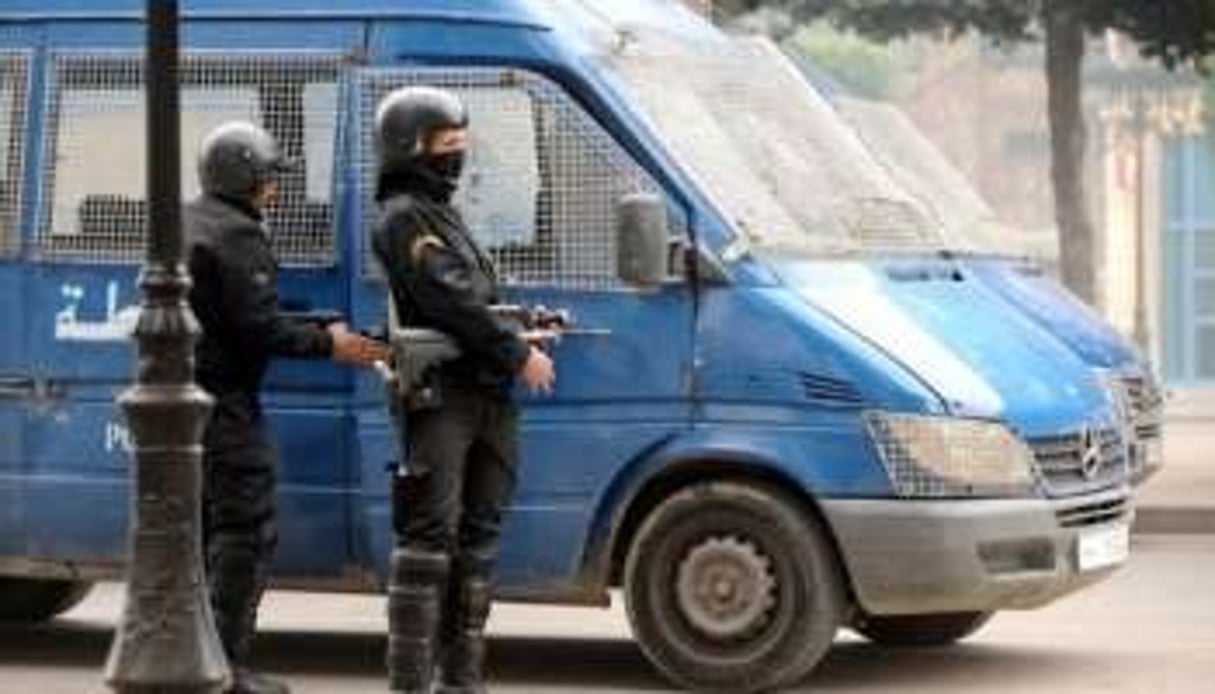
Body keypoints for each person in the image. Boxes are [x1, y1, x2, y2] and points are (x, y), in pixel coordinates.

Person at [186, 121, 386, 694]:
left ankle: (196, 658)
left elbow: (240, 314)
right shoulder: (238, 234)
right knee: (245, 532)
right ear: (245, 177)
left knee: (201, 535)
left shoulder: (191, 219)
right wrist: (332, 344)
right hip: (224, 406)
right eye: (271, 177)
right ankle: (223, 667)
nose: (276, 188)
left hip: (186, 404)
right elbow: (257, 328)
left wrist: (320, 326)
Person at [372, 86, 556, 693]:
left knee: (478, 543)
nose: (457, 159)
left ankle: (461, 679)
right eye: (447, 147)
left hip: (486, 395)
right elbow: (447, 300)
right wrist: (516, 350)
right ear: (411, 148)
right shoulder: (403, 218)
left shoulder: (442, 215)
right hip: (442, 399)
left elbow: (471, 300)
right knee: (429, 543)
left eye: (460, 147)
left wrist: (524, 324)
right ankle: (411, 684)